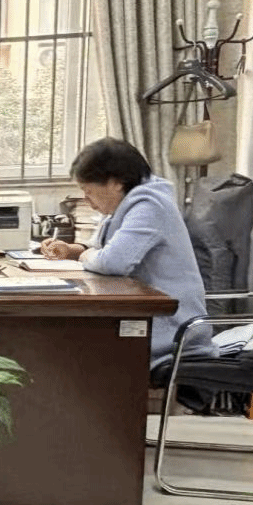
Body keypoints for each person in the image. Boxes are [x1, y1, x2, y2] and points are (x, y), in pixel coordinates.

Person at [39, 137, 216, 372]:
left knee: (70, 347)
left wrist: (85, 256)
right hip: (145, 316)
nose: (86, 200)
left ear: (115, 182)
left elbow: (112, 262)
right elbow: (100, 248)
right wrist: (73, 250)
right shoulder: (127, 204)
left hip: (170, 328)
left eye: (88, 191)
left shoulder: (150, 205)